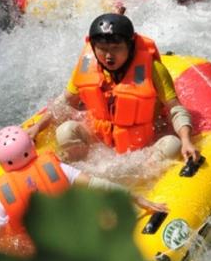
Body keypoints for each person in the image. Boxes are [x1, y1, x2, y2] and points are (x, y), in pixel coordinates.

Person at [38, 12, 200, 165]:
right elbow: (62, 103)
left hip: (142, 146)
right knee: (65, 131)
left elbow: (175, 110)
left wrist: (186, 140)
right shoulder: (87, 67)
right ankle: (80, 171)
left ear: (130, 46)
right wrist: (35, 128)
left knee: (173, 144)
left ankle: (140, 180)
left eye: (116, 48)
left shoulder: (153, 69)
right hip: (100, 139)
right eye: (102, 48)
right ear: (93, 47)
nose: (109, 55)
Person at [0, 125, 167, 249]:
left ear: (3, 164)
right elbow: (101, 185)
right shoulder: (57, 169)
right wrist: (138, 198)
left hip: (40, 250)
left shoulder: (2, 195)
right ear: (31, 148)